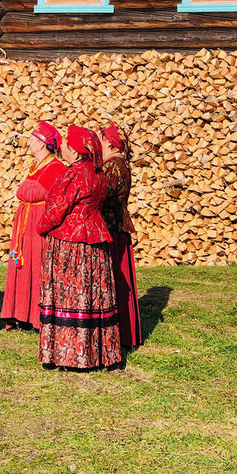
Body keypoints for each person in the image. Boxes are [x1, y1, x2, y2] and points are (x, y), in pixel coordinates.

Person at [37, 125, 121, 370]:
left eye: (66, 144)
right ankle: (101, 353)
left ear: (75, 151)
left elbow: (57, 208)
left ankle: (70, 356)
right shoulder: (99, 174)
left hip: (71, 241)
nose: (61, 147)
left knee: (71, 294)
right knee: (94, 294)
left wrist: (41, 227)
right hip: (96, 239)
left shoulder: (73, 174)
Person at [1, 121, 65, 330]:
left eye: (32, 139)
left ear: (41, 143)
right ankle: (20, 312)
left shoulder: (55, 167)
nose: (28, 143)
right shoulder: (35, 166)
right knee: (23, 263)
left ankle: (36, 315)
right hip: (25, 221)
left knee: (36, 263)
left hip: (38, 220)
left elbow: (37, 193)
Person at [101, 123, 142, 348]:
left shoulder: (112, 166)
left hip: (110, 229)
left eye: (101, 138)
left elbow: (101, 197)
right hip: (118, 228)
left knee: (115, 281)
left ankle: (118, 332)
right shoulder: (121, 164)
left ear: (108, 142)